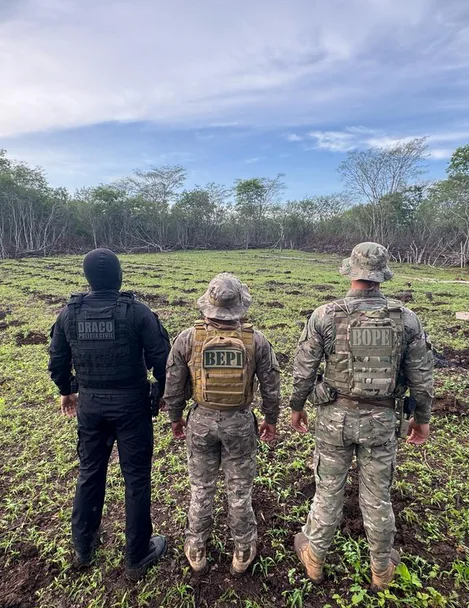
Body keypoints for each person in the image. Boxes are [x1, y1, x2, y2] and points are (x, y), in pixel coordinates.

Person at [289, 242, 434, 591]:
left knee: (328, 489)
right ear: (382, 276)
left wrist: (296, 407)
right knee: (377, 495)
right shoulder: (406, 318)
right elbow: (421, 376)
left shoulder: (325, 315)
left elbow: (304, 369)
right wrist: (422, 417)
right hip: (382, 421)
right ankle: (381, 567)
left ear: (351, 272)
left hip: (334, 420)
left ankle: (315, 556)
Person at [48, 248, 171, 582]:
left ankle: (83, 547)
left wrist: (66, 390)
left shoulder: (69, 314)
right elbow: (164, 360)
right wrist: (162, 394)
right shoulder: (138, 312)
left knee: (90, 471)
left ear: (88, 279)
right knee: (136, 477)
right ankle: (137, 555)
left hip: (90, 405)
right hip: (131, 406)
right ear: (119, 277)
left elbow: (57, 359)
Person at [164, 273, 281, 576]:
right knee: (239, 490)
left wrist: (176, 418)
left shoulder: (188, 338)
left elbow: (174, 385)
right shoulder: (256, 340)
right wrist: (270, 420)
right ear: (241, 305)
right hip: (240, 423)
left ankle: (196, 547)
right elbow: (271, 386)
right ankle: (242, 550)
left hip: (201, 420)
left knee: (201, 488)